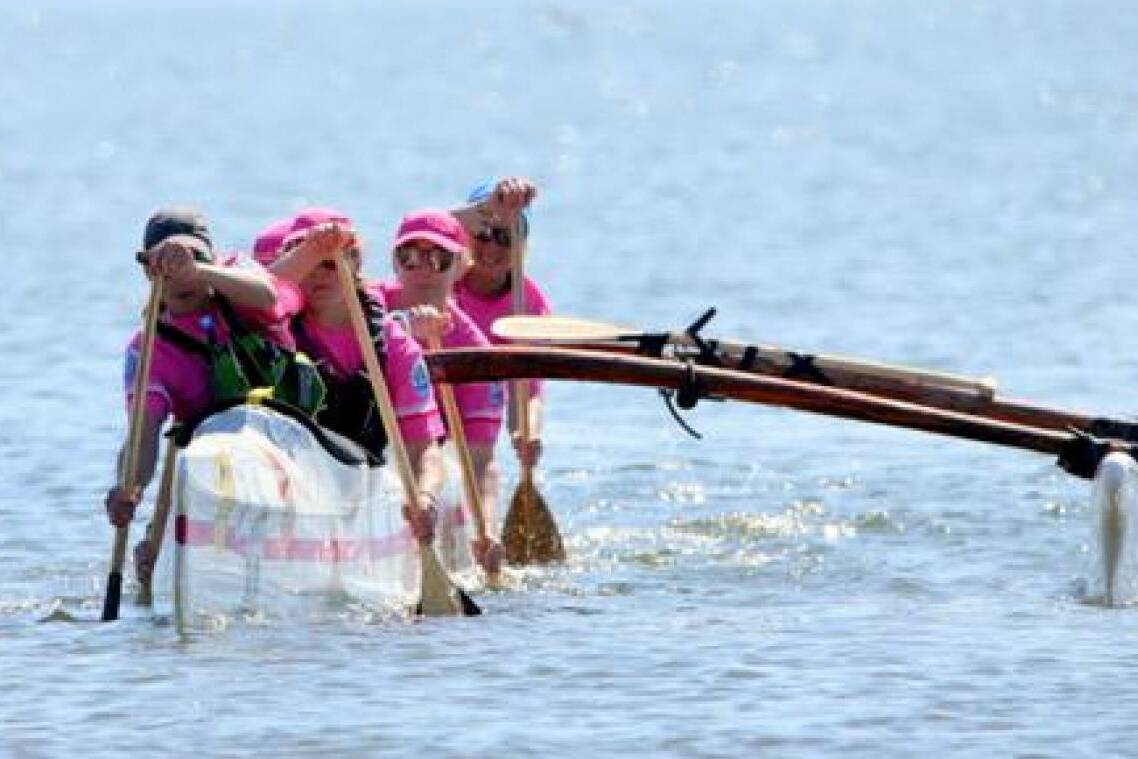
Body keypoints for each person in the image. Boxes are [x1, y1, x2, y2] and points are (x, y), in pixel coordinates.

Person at [104, 207, 281, 583]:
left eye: (192, 257)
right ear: (148, 271)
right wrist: (128, 487)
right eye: (165, 264)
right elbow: (143, 437)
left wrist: (199, 270)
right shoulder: (147, 349)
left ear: (213, 258)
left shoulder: (237, 278)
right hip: (211, 461)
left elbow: (268, 296)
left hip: (284, 442)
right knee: (155, 552)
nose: (181, 275)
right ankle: (163, 550)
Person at [263, 208, 445, 546]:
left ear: (354, 263)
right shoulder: (272, 331)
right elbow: (257, 290)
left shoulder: (393, 343)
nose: (317, 274)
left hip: (360, 490)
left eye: (330, 263)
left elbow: (423, 448)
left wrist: (425, 497)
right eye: (307, 261)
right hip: (290, 494)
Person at [377, 209, 506, 575]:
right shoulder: (363, 303)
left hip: (428, 459)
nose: (421, 269)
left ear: (462, 264)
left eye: (438, 258)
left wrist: (486, 526)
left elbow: (481, 460)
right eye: (408, 256)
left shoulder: (477, 353)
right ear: (394, 262)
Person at [452, 177, 551, 471]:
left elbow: (527, 390)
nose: (492, 247)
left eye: (505, 237)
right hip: (431, 412)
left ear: (521, 246)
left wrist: (527, 434)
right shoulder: (441, 275)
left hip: (480, 421)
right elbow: (422, 228)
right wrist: (487, 208)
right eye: (484, 233)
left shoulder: (529, 302)